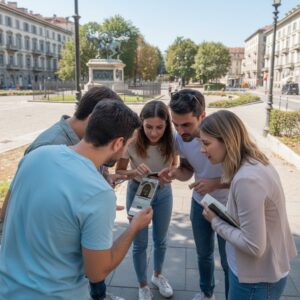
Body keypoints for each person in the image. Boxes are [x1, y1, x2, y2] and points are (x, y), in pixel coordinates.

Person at [0, 100, 153, 300]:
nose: (125, 151)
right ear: (118, 143)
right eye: (128, 144)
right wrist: (134, 227)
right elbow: (96, 272)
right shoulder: (99, 194)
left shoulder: (36, 155)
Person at [200, 110, 297, 300]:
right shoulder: (255, 163)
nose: (202, 150)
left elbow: (253, 246)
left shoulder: (247, 180)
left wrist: (215, 221)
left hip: (256, 280)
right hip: (261, 272)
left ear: (227, 140)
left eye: (206, 143)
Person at [159, 89, 229, 300]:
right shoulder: (180, 139)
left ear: (202, 116)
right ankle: (207, 293)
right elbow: (187, 170)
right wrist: (173, 173)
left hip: (229, 207)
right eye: (175, 124)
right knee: (203, 255)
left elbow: (245, 176)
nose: (180, 131)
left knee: (229, 261)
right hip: (200, 203)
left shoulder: (224, 135)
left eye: (186, 124)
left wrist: (213, 184)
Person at [116, 100, 177, 300]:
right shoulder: (132, 140)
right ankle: (142, 285)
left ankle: (157, 276)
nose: (153, 132)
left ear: (167, 124)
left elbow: (174, 165)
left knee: (161, 240)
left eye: (159, 127)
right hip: (138, 192)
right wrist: (134, 171)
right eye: (149, 127)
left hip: (163, 192)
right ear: (141, 123)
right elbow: (119, 172)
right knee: (140, 243)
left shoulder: (172, 139)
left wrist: (170, 174)